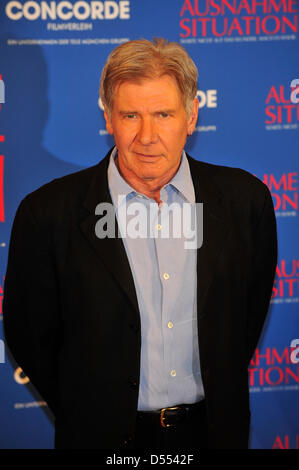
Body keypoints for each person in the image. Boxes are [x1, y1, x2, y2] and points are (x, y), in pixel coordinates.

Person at [3, 38, 277, 450]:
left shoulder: (245, 202)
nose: (147, 136)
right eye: (131, 115)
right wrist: (90, 409)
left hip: (214, 433)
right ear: (109, 118)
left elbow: (245, 318)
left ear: (191, 116)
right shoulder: (48, 214)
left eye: (163, 114)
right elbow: (29, 334)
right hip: (100, 438)